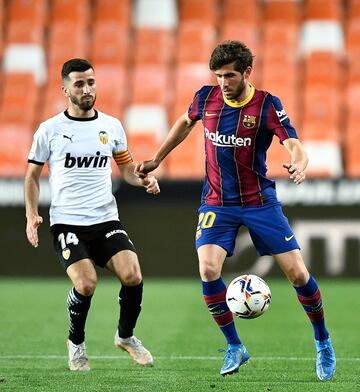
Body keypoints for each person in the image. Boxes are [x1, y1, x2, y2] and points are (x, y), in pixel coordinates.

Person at [135, 41, 336, 381]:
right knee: (208, 269)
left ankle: (323, 341)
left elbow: (294, 144)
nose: (223, 83)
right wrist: (157, 159)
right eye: (218, 76)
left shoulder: (267, 104)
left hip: (260, 202)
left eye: (230, 75)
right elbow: (185, 123)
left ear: (246, 72)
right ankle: (235, 346)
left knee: (299, 275)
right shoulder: (206, 98)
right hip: (217, 202)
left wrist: (299, 165)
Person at [25, 58, 160, 372]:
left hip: (105, 219)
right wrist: (32, 214)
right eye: (79, 84)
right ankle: (76, 343)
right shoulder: (50, 130)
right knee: (86, 284)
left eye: (91, 82)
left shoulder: (111, 126)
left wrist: (142, 180)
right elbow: (32, 177)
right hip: (67, 222)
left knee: (133, 275)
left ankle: (125, 336)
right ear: (65, 90)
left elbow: (125, 168)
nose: (87, 89)